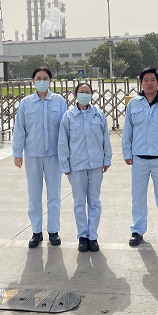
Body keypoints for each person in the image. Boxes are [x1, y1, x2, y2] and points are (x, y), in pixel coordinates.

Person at [121, 67, 158, 247]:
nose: (149, 83)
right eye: (145, 80)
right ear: (141, 83)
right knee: (138, 196)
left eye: (152, 80)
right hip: (139, 159)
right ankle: (137, 230)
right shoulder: (134, 104)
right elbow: (127, 131)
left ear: (157, 82)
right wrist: (127, 152)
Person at [12, 67, 67, 248]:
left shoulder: (59, 101)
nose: (42, 81)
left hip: (54, 156)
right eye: (38, 78)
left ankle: (53, 231)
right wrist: (17, 153)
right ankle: (36, 231)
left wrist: (66, 153)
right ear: (33, 81)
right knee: (34, 196)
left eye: (45, 78)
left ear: (50, 81)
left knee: (54, 195)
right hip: (33, 155)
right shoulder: (26, 103)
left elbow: (65, 130)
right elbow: (19, 129)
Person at [58, 82, 112, 252]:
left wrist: (107, 159)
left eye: (87, 92)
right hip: (76, 166)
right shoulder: (68, 117)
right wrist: (65, 164)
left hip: (96, 164)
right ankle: (82, 236)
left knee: (94, 201)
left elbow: (105, 138)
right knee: (79, 202)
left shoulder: (98, 115)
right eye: (81, 92)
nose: (84, 95)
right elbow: (63, 142)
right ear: (75, 95)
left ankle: (93, 236)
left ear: (91, 95)